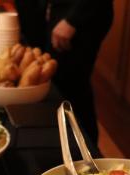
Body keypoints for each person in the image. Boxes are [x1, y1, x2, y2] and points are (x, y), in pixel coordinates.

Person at [43, 0, 114, 146]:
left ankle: (88, 154)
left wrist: (73, 19)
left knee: (73, 87)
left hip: (80, 13)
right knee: (65, 86)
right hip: (67, 11)